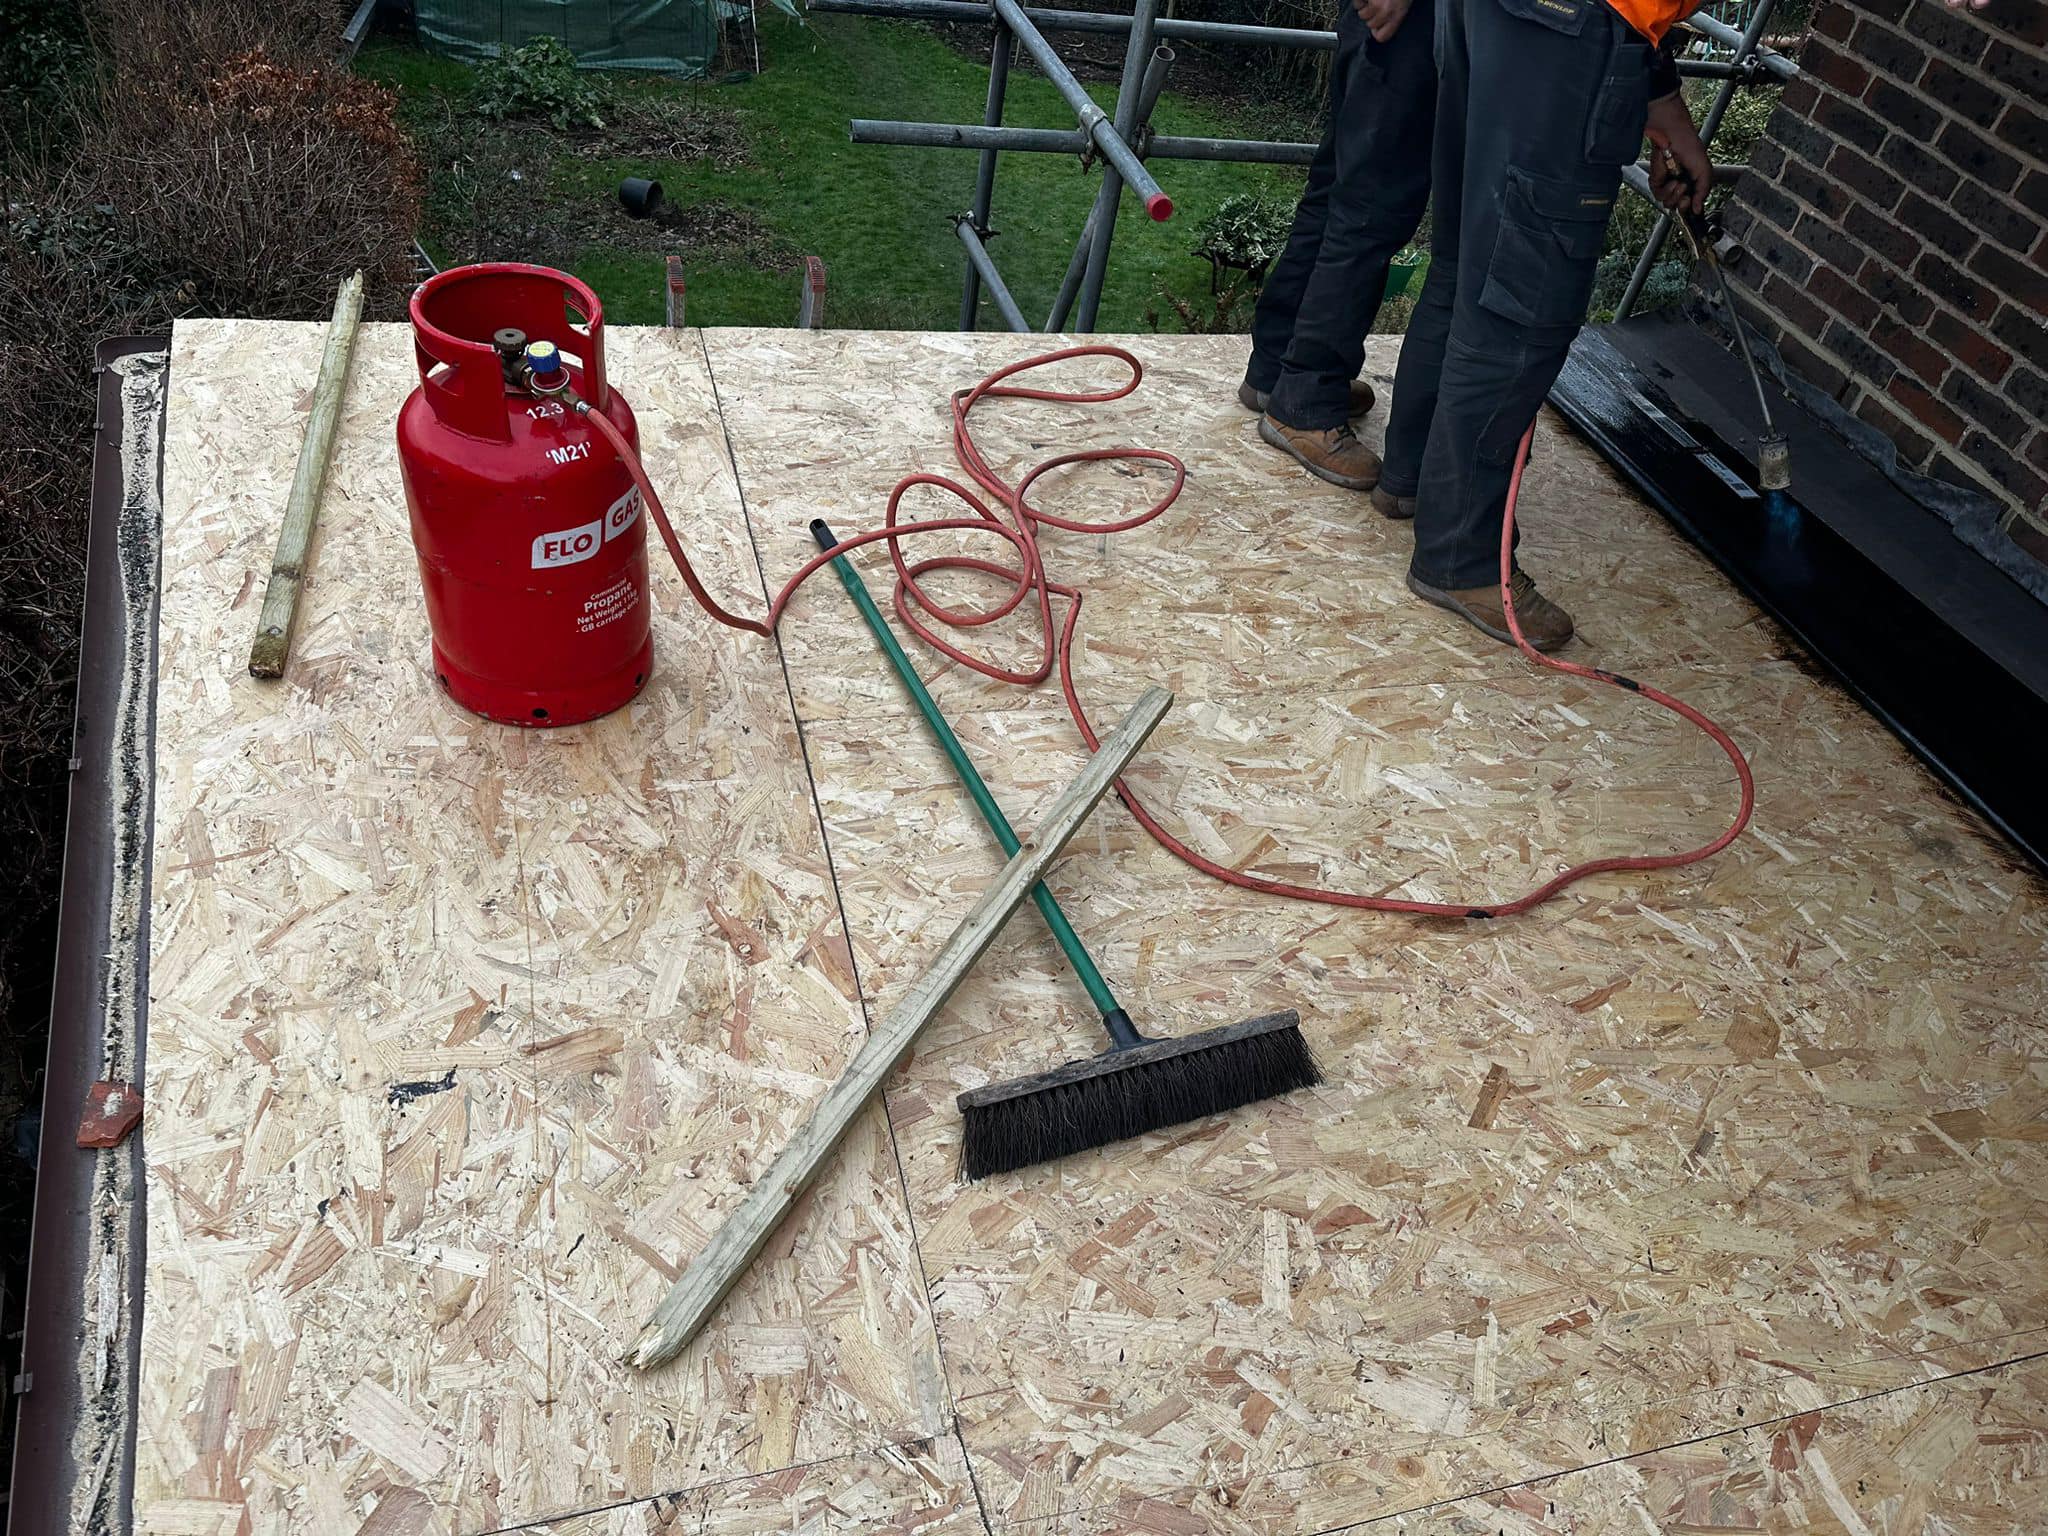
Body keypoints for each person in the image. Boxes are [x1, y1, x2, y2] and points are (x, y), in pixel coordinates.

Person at [1379, 0, 1988, 653]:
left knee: (1472, 260)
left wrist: (1661, 103)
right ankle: (1460, 559)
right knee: (1521, 310)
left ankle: (1413, 479)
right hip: (1567, 26)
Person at [1239, 0, 1438, 495]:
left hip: (1387, 25)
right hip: (1411, 24)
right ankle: (1306, 400)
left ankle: (1277, 367)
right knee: (1371, 211)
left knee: (1336, 196)